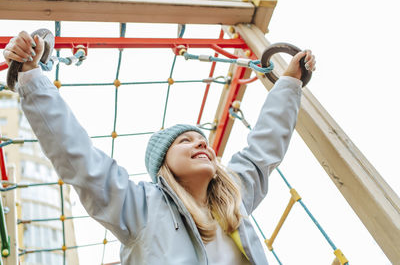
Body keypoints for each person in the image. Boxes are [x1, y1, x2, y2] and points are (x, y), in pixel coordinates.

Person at [3, 31, 316, 265]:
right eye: (185, 141)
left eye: (202, 140)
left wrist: (289, 83)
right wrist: (31, 76)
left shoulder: (233, 195)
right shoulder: (140, 206)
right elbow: (78, 157)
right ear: (164, 164)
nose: (201, 143)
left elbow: (265, 146)